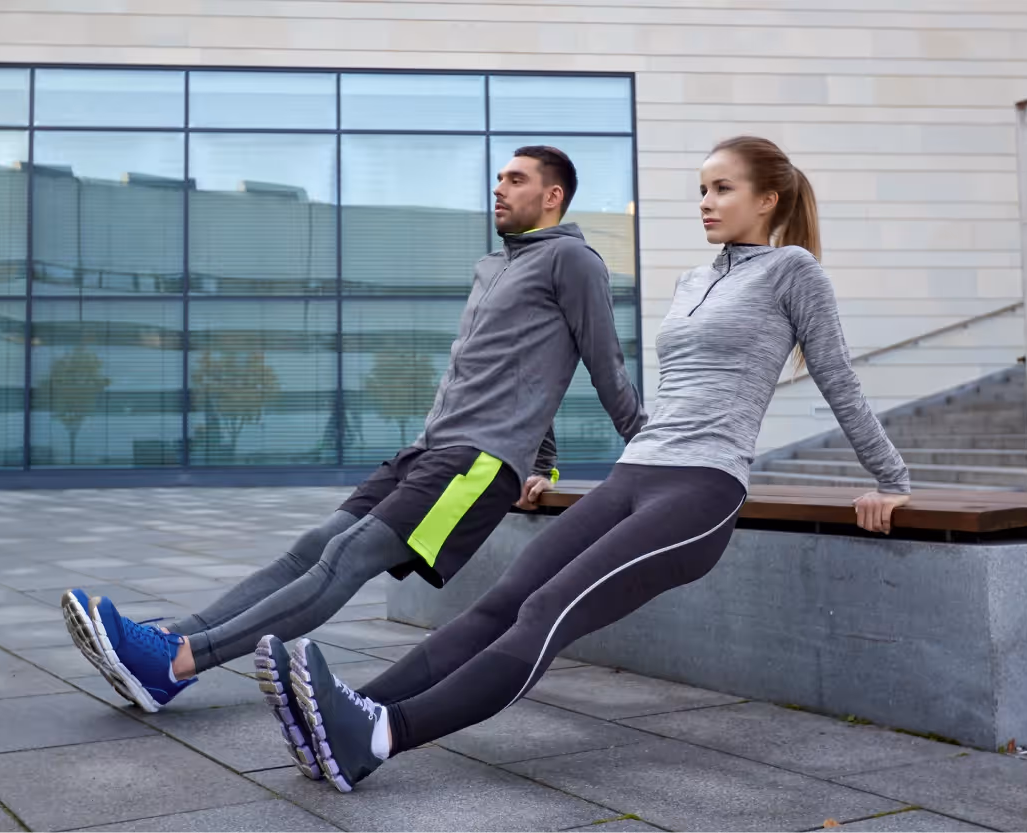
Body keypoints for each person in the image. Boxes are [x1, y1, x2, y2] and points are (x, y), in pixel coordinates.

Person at [268, 135, 914, 793]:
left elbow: (839, 378)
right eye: (701, 189)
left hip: (701, 488)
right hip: (635, 472)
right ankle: (341, 711)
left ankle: (379, 733)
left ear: (768, 198)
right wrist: (543, 463)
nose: (706, 203)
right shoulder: (694, 279)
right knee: (501, 601)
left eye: (722, 189)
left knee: (548, 607)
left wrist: (890, 479)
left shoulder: (794, 271)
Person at [60, 145, 647, 780]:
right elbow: (527, 369)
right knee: (312, 544)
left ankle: (177, 662)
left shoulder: (573, 258)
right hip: (429, 449)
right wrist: (549, 459)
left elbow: (601, 360)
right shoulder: (497, 267)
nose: (499, 188)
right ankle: (166, 641)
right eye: (499, 177)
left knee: (349, 557)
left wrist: (651, 450)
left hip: (477, 464)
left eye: (516, 179)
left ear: (553, 196)